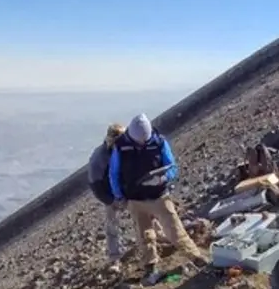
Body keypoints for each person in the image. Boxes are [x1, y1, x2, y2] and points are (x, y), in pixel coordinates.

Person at [109, 113, 207, 279]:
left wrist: (163, 178)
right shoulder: (120, 147)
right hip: (135, 199)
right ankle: (150, 265)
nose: (141, 143)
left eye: (144, 141)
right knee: (144, 234)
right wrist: (119, 195)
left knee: (174, 228)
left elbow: (172, 167)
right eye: (138, 141)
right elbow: (114, 173)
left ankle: (195, 256)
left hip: (159, 196)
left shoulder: (159, 142)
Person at [87, 123, 128, 272]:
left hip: (129, 191)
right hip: (112, 196)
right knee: (112, 226)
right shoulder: (99, 158)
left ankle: (157, 239)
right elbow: (95, 184)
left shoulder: (127, 149)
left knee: (148, 214)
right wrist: (111, 200)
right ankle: (114, 259)